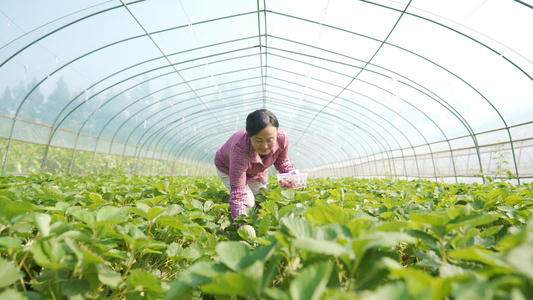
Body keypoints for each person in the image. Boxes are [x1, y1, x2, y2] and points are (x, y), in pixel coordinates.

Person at [214, 109, 295, 224]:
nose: (265, 146)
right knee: (248, 201)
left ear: (276, 133)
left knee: (261, 196)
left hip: (257, 169)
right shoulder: (240, 148)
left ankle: (258, 221)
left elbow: (281, 161)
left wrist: (293, 179)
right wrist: (242, 226)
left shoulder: (282, 138)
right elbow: (238, 192)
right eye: (258, 140)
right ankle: (240, 218)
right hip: (227, 167)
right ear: (249, 135)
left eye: (270, 140)